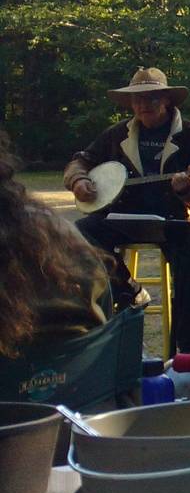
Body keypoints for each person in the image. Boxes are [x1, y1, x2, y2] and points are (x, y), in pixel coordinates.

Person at [62, 67, 190, 353]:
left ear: (167, 100)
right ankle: (129, 292)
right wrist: (79, 180)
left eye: (151, 98)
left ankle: (186, 346)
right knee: (80, 235)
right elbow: (80, 161)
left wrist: (185, 189)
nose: (143, 105)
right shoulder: (117, 134)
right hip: (124, 216)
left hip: (177, 219)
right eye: (137, 99)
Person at [1, 130, 109, 357]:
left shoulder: (189, 135)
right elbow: (103, 308)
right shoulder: (61, 233)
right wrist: (79, 178)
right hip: (78, 381)